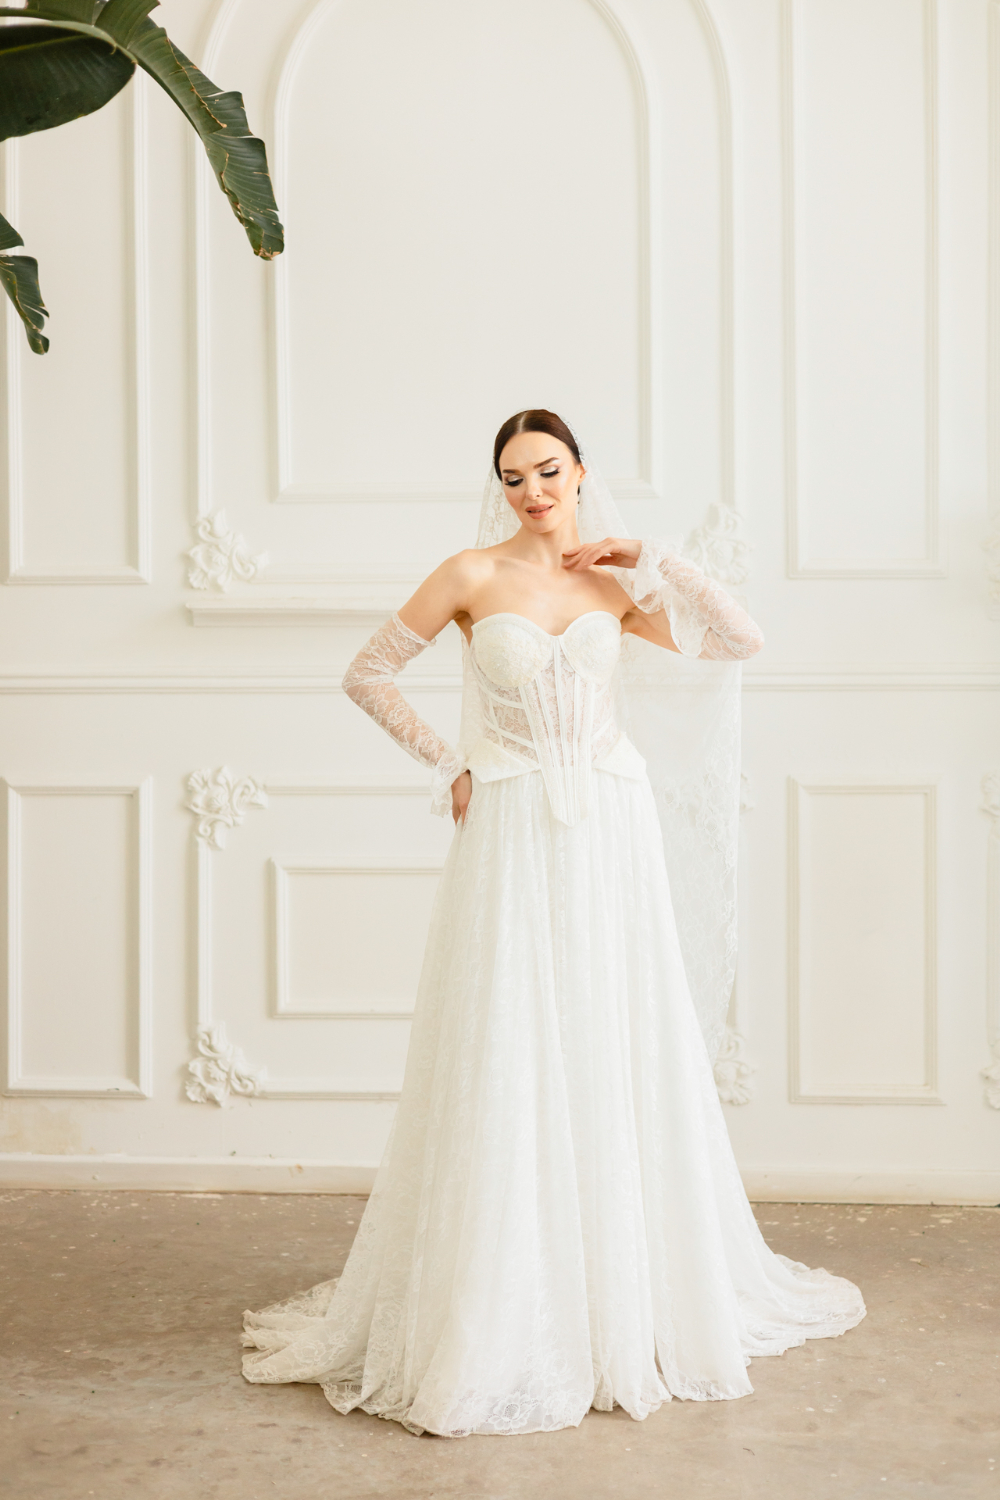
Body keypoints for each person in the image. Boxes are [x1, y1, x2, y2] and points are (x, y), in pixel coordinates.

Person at [241, 409, 865, 1437]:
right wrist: (449, 762)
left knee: (612, 1032)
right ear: (500, 487)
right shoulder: (469, 575)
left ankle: (622, 1293)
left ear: (579, 474)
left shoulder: (613, 587)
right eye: (513, 476)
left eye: (547, 471)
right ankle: (506, 1298)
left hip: (611, 826)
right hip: (513, 822)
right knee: (510, 1038)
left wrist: (655, 559)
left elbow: (740, 641)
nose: (532, 491)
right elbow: (366, 673)